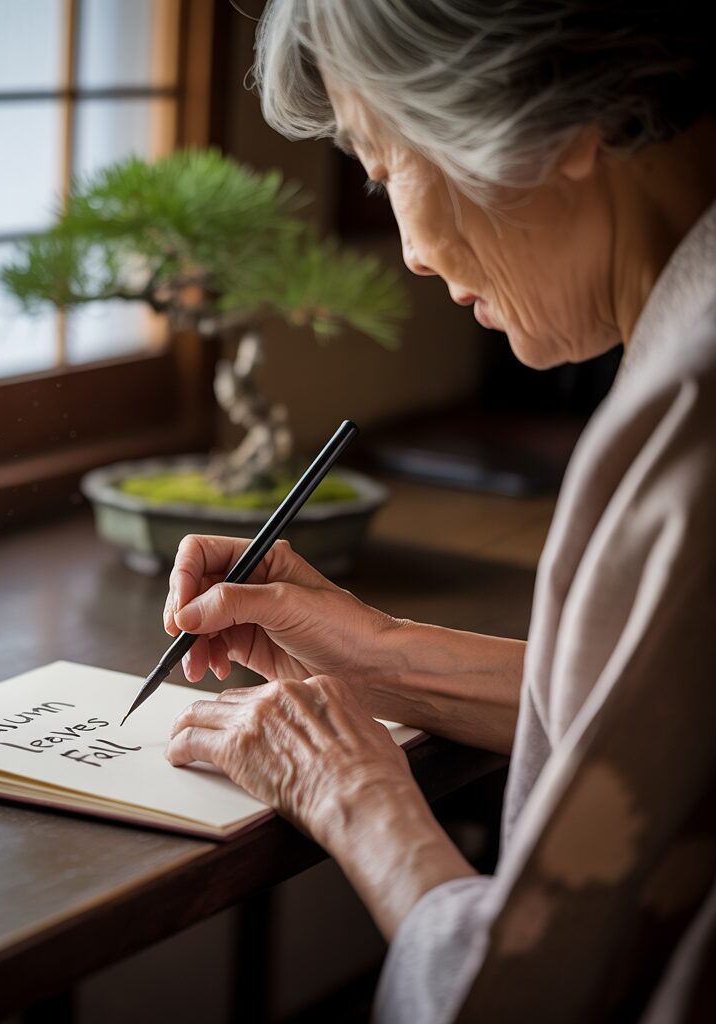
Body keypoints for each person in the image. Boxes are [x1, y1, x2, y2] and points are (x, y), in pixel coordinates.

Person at [163, 2, 716, 1020]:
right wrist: (377, 655)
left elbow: (522, 998)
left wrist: (357, 799)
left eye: (386, 167)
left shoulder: (696, 403)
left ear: (553, 117)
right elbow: (671, 733)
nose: (410, 251)